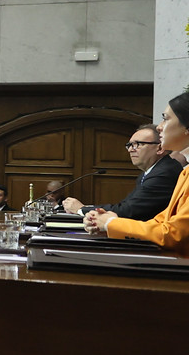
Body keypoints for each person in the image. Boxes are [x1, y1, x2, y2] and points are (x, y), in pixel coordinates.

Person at [87, 92, 189, 255]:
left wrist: (110, 223)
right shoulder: (186, 173)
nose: (159, 126)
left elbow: (172, 235)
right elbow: (160, 221)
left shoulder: (173, 171)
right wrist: (107, 223)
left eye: (166, 118)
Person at [64, 124, 178, 221]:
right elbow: (125, 207)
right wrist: (86, 208)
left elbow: (128, 211)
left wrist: (81, 209)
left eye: (138, 144)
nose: (130, 150)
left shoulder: (164, 174)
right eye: (129, 145)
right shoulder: (149, 173)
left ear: (160, 148)